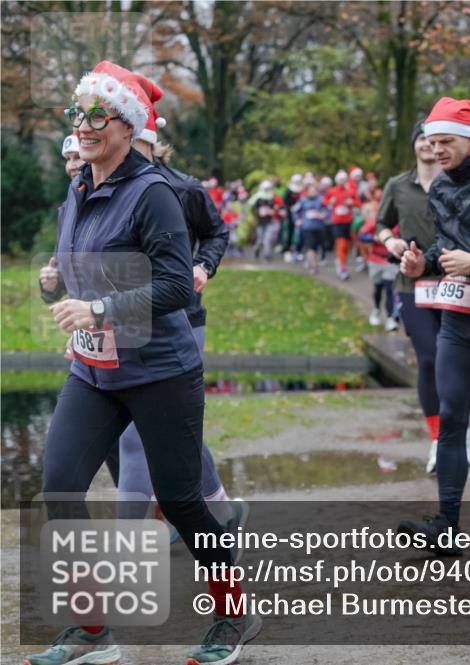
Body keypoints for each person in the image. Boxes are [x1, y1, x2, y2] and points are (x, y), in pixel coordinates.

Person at [31, 61, 259, 665]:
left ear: (128, 127)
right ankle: (91, 630)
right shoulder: (79, 186)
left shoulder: (153, 192)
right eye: (79, 114)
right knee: (59, 488)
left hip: (160, 372)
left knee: (182, 501)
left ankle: (234, 614)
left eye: (98, 116)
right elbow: (79, 277)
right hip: (94, 373)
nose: (85, 126)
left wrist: (100, 306)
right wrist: (55, 288)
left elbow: (175, 288)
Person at [99, 67, 242, 551]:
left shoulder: (181, 188)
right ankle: (220, 510)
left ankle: (139, 534)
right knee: (166, 428)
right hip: (118, 318)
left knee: (154, 429)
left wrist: (203, 265)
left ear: (148, 140)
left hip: (181, 317)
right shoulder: (95, 187)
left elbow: (218, 231)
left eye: (137, 145)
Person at [397, 97, 470, 552]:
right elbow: (446, 246)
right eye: (431, 141)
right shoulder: (442, 187)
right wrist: (419, 264)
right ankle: (446, 525)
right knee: (451, 417)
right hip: (457, 319)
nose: (436, 149)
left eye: (445, 141)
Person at [377, 116, 445, 471]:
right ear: (414, 144)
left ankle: (456, 434)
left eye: (433, 140)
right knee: (430, 358)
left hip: (453, 283)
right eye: (421, 138)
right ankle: (438, 439)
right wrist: (390, 240)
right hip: (411, 284)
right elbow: (378, 224)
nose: (427, 145)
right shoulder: (398, 185)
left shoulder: (455, 185)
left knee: (454, 361)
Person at [361, 202, 399, 330]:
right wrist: (374, 238)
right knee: (378, 289)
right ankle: (376, 310)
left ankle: (390, 318)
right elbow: (362, 236)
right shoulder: (376, 221)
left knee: (389, 289)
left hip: (390, 261)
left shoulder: (400, 222)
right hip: (376, 260)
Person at [324, 170, 358, 279]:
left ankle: (340, 261)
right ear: (336, 180)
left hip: (348, 222)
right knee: (341, 244)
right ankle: (343, 269)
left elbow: (358, 203)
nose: (342, 182)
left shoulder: (350, 191)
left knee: (347, 246)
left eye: (344, 180)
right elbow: (324, 201)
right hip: (337, 222)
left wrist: (351, 203)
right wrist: (330, 202)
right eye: (340, 180)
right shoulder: (331, 191)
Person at [293, 181, 330, 275]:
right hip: (307, 227)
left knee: (317, 247)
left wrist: (323, 215)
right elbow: (294, 210)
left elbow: (329, 210)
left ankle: (312, 262)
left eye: (314, 191)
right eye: (310, 191)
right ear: (307, 192)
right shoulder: (303, 200)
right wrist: (297, 220)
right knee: (310, 247)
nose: (312, 193)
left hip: (319, 227)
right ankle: (313, 266)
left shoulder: (321, 199)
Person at [251, 180, 284, 262]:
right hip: (260, 223)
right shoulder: (258, 198)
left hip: (270, 222)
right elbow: (253, 209)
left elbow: (280, 206)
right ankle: (256, 251)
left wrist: (275, 211)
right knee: (259, 240)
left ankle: (267, 255)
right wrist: (258, 212)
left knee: (267, 239)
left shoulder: (273, 197)